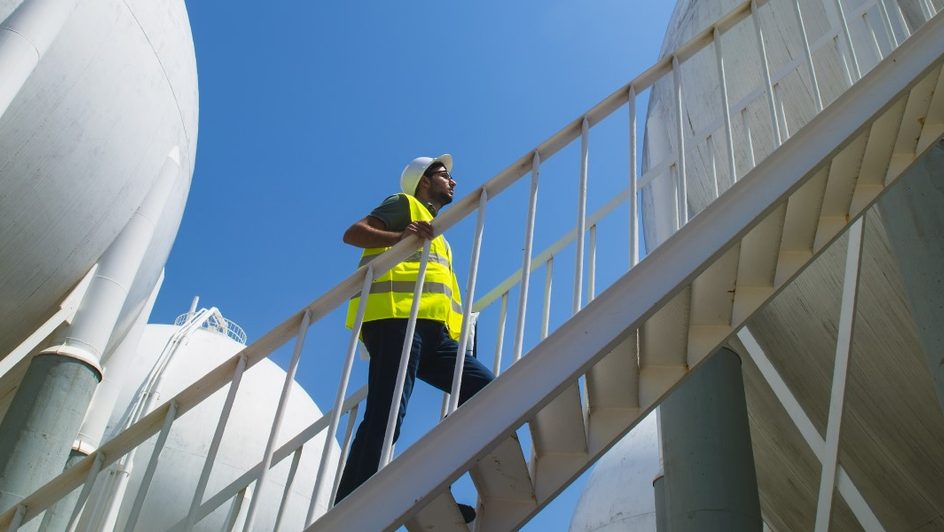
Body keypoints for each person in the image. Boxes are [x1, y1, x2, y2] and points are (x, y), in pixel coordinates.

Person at [334, 154, 494, 519]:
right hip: (396, 320)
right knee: (386, 417)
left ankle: (433, 481)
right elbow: (354, 233)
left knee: (487, 389)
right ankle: (347, 511)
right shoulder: (403, 205)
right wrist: (398, 236)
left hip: (434, 336)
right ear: (425, 180)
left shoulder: (440, 237)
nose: (453, 182)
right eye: (445, 175)